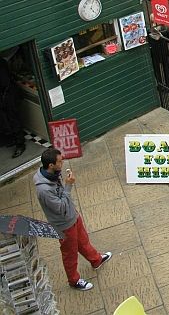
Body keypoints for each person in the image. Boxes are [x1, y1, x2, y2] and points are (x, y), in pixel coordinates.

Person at [34, 148, 112, 291]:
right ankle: (74, 280)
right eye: (59, 161)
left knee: (83, 241)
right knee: (70, 253)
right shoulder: (44, 190)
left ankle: (96, 260)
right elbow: (60, 207)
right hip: (63, 224)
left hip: (73, 216)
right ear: (50, 165)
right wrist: (69, 185)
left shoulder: (52, 174)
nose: (62, 162)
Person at [0, 53, 25, 158]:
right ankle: (14, 139)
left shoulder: (1, 64)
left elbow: (4, 82)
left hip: (8, 95)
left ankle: (20, 144)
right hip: (5, 94)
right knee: (7, 119)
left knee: (13, 118)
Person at [147, 14, 169, 86]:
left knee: (163, 69)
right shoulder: (151, 29)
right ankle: (163, 84)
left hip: (160, 51)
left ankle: (165, 84)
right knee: (159, 69)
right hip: (158, 52)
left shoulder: (162, 29)